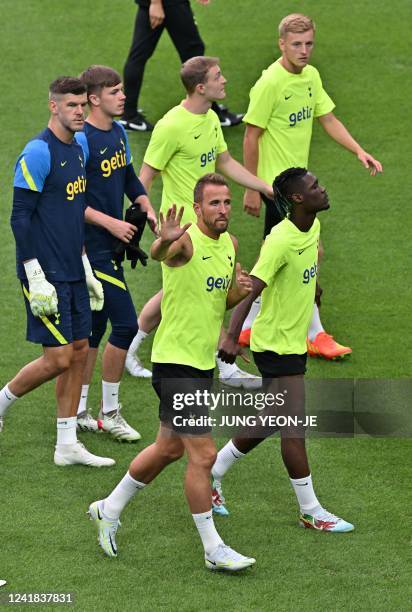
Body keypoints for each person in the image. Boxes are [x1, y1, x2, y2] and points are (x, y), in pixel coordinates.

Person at [89, 173, 256, 570]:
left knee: (168, 448)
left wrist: (240, 291)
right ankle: (213, 549)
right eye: (214, 204)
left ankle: (107, 509)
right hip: (175, 364)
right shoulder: (185, 242)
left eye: (227, 202)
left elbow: (219, 299)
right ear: (197, 208)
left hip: (200, 364)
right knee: (204, 455)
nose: (223, 210)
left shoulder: (230, 245)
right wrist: (163, 239)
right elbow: (161, 253)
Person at [212, 168, 354, 532]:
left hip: (292, 343)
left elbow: (304, 269)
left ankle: (213, 471)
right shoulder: (280, 239)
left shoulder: (313, 227)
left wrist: (314, 288)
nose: (323, 190)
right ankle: (310, 510)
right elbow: (251, 289)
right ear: (297, 199)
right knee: (293, 426)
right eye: (314, 187)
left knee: (272, 419)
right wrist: (230, 336)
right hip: (275, 346)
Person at [240, 13, 382, 360]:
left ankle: (248, 322)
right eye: (297, 45)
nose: (304, 51)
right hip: (278, 187)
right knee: (307, 252)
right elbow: (251, 135)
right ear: (281, 45)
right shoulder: (270, 83)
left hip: (297, 182)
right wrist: (251, 187)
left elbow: (328, 118)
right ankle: (315, 332)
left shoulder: (311, 77)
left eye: (309, 44)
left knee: (276, 255)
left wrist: (358, 150)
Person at [125, 55, 272, 387]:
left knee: (180, 294)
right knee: (204, 292)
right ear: (201, 87)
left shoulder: (210, 119)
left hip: (209, 224)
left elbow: (225, 162)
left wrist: (262, 186)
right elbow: (144, 177)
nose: (225, 81)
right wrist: (146, 218)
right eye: (219, 77)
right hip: (182, 233)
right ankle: (225, 364)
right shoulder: (171, 126)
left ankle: (128, 350)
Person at [0, 77, 114, 467]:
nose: (80, 111)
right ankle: (1, 402)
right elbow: (20, 218)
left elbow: (71, 211)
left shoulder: (79, 147)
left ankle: (66, 445)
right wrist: (32, 272)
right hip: (43, 273)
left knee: (80, 350)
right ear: (53, 107)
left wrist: (83, 262)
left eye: (83, 104)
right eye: (71, 105)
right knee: (59, 358)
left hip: (71, 267)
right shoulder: (37, 153)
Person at [74, 65, 158, 438]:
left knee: (95, 329)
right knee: (125, 323)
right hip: (90, 250)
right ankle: (109, 412)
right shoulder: (81, 141)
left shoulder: (119, 132)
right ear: (94, 98)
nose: (123, 96)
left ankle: (79, 409)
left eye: (122, 90)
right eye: (115, 92)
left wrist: (146, 205)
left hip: (110, 245)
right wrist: (112, 224)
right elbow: (71, 200)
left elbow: (127, 177)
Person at [121, 0, 243, 131]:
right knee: (194, 52)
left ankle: (129, 114)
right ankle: (210, 110)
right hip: (170, 4)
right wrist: (156, 4)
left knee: (139, 54)